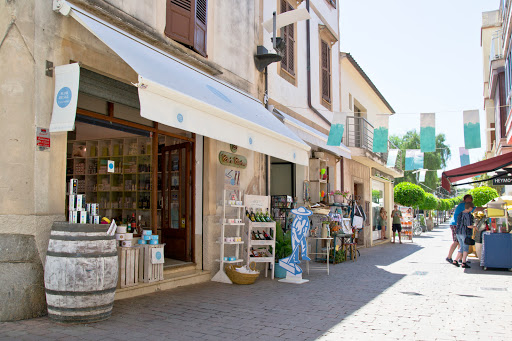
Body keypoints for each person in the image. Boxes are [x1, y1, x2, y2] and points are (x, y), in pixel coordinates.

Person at [446, 194, 474, 264]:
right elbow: (475, 209)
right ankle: (449, 257)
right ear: (466, 199)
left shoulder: (463, 205)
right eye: (470, 199)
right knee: (456, 241)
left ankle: (460, 258)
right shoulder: (463, 205)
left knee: (460, 242)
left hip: (457, 225)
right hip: (455, 225)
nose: (471, 200)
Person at [452, 202, 475, 268]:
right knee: (465, 247)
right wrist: (475, 227)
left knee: (462, 246)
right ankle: (463, 262)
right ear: (470, 208)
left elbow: (458, 223)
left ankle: (456, 260)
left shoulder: (460, 214)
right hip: (465, 232)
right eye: (472, 208)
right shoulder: (468, 215)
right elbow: (469, 225)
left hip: (458, 232)